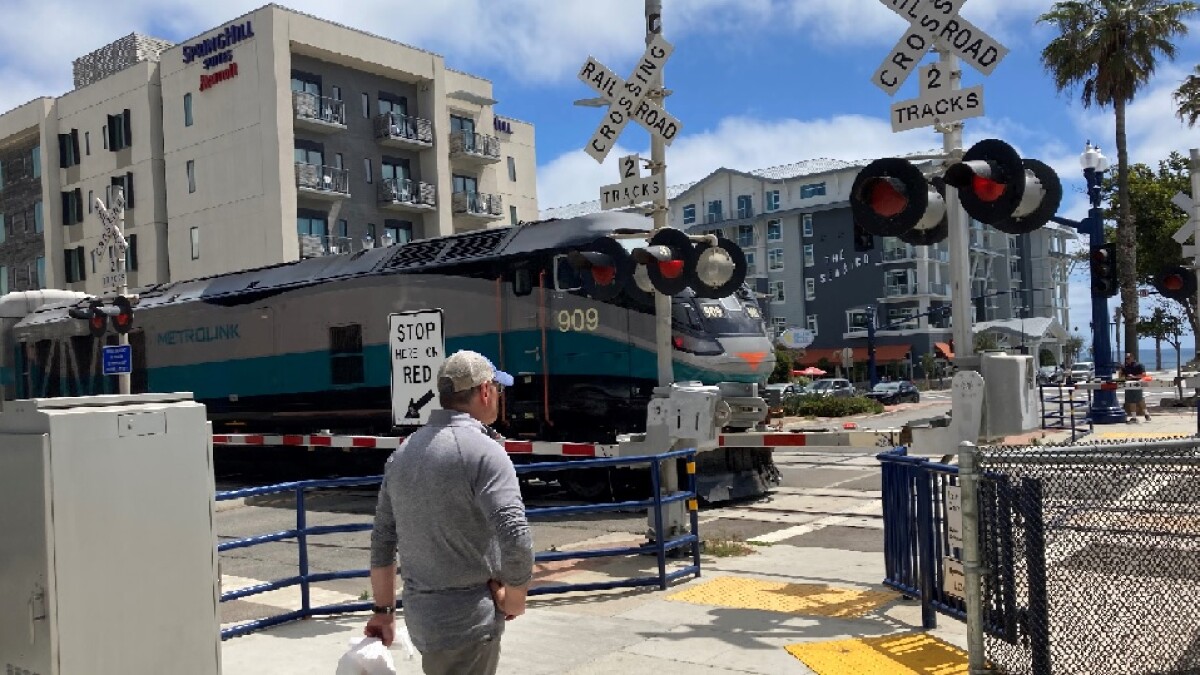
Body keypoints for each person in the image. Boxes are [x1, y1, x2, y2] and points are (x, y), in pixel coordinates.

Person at [366, 350, 533, 675]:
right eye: (498, 389)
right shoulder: (485, 452)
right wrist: (515, 597)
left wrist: (384, 611)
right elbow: (515, 535)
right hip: (469, 621)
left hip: (423, 621)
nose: (499, 396)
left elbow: (383, 539)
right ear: (485, 391)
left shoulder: (402, 454)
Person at [1120, 353, 1150, 422]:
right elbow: (1121, 376)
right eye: (1126, 359)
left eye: (1128, 358)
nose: (1127, 360)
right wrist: (1121, 372)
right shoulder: (1125, 367)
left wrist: (1134, 377)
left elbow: (1143, 375)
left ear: (1132, 358)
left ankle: (1146, 414)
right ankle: (1134, 417)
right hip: (1128, 384)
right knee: (1131, 401)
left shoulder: (1139, 365)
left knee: (1139, 400)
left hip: (1137, 384)